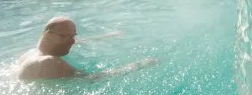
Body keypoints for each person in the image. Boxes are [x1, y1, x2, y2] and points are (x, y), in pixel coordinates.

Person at [17, 17, 157, 80]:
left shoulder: (28, 54)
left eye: (74, 36)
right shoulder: (48, 62)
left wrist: (108, 36)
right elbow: (93, 79)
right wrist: (138, 65)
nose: (72, 41)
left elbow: (76, 41)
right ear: (47, 35)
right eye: (67, 37)